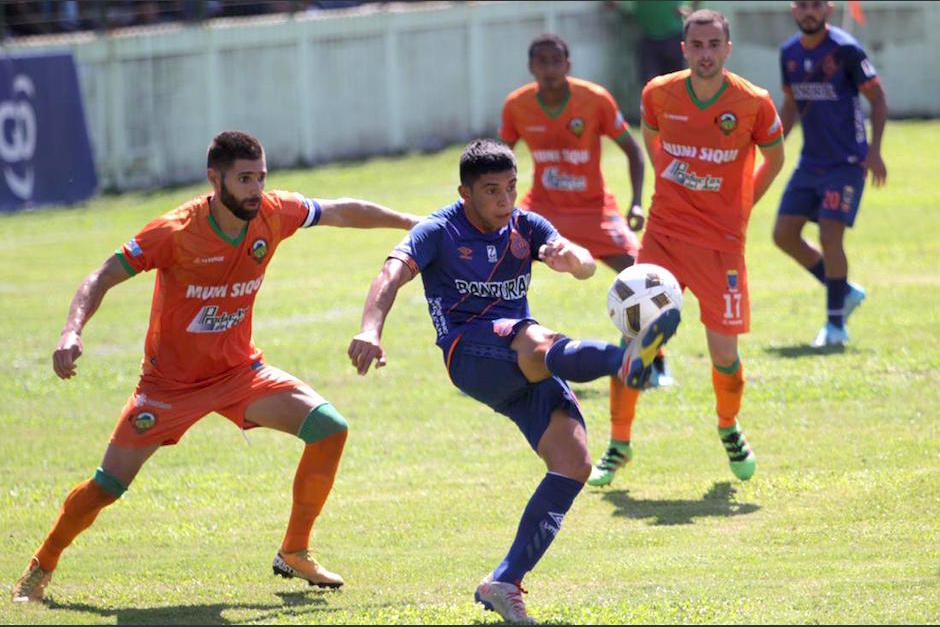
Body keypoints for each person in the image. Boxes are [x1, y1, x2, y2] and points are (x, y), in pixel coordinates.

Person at [11, 130, 421, 603]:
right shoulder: (175, 231)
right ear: (215, 178)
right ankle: (40, 567)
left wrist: (410, 221)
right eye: (244, 179)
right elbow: (103, 274)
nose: (256, 190)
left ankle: (294, 551)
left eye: (261, 178)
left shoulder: (273, 212)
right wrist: (71, 330)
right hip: (169, 387)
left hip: (238, 374)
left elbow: (341, 210)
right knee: (107, 487)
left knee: (329, 428)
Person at [347, 139, 679, 623]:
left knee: (573, 461)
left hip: (521, 361)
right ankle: (625, 361)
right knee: (537, 338)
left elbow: (582, 262)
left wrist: (573, 259)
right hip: (470, 353)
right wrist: (369, 328)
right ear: (465, 193)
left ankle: (504, 580)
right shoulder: (439, 230)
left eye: (511, 188)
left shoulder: (525, 226)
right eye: (491, 191)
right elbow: (390, 274)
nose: (505, 200)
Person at [589, 9, 786, 487]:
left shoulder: (753, 102)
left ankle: (728, 426)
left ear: (727, 48)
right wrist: (674, 185)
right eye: (696, 45)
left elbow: (775, 158)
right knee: (636, 339)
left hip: (722, 246)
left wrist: (741, 207)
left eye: (713, 45)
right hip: (665, 238)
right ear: (684, 49)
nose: (704, 54)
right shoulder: (659, 93)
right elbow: (654, 139)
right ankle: (618, 443)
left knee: (725, 356)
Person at [499, 32, 673, 488]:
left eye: (556, 60)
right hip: (544, 211)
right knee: (501, 266)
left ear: (568, 62)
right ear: (531, 66)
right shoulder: (517, 106)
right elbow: (500, 159)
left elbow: (633, 150)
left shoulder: (594, 100)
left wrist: (636, 203)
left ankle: (656, 357)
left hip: (595, 210)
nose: (549, 68)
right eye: (540, 61)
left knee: (644, 275)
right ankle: (510, 349)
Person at [773, 0, 887, 347]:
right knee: (783, 235)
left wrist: (874, 150)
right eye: (803, 5)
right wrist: (772, 145)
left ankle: (835, 326)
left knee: (829, 236)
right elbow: (792, 105)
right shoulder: (789, 53)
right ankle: (844, 291)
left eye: (816, 6)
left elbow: (878, 99)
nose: (809, 12)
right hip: (810, 162)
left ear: (828, 10)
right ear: (794, 11)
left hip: (846, 163)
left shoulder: (846, 50)